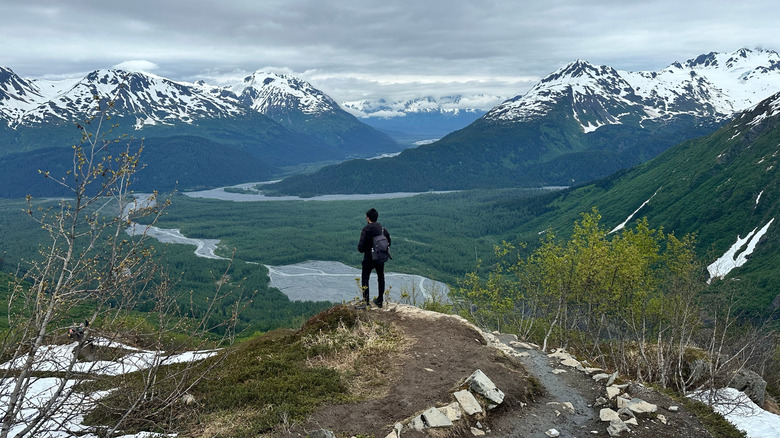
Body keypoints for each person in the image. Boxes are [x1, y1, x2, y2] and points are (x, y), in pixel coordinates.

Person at [357, 208, 391, 308]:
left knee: (365, 278)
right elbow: (388, 242)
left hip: (368, 258)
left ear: (368, 218)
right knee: (380, 277)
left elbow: (360, 247)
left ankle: (366, 302)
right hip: (380, 258)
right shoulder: (383, 230)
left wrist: (365, 249)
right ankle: (380, 300)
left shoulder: (366, 230)